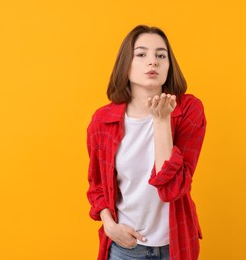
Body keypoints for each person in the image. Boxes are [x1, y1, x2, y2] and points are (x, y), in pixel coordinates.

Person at [86, 25, 207, 260]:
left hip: (175, 246)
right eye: (141, 54)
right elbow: (97, 184)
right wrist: (109, 225)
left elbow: (172, 189)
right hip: (124, 248)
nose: (153, 61)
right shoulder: (102, 120)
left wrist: (161, 122)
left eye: (161, 55)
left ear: (169, 66)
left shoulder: (189, 110)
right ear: (126, 64)